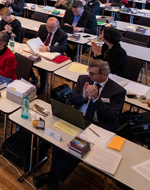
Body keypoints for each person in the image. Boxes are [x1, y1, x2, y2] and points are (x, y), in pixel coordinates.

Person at [33, 59, 126, 190]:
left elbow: (111, 116)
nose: (89, 76)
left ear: (104, 75)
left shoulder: (117, 91)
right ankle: (53, 177)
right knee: (58, 140)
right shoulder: (83, 79)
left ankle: (52, 177)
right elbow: (71, 98)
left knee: (77, 148)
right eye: (88, 72)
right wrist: (82, 96)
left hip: (98, 126)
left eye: (93, 74)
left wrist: (96, 100)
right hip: (78, 118)